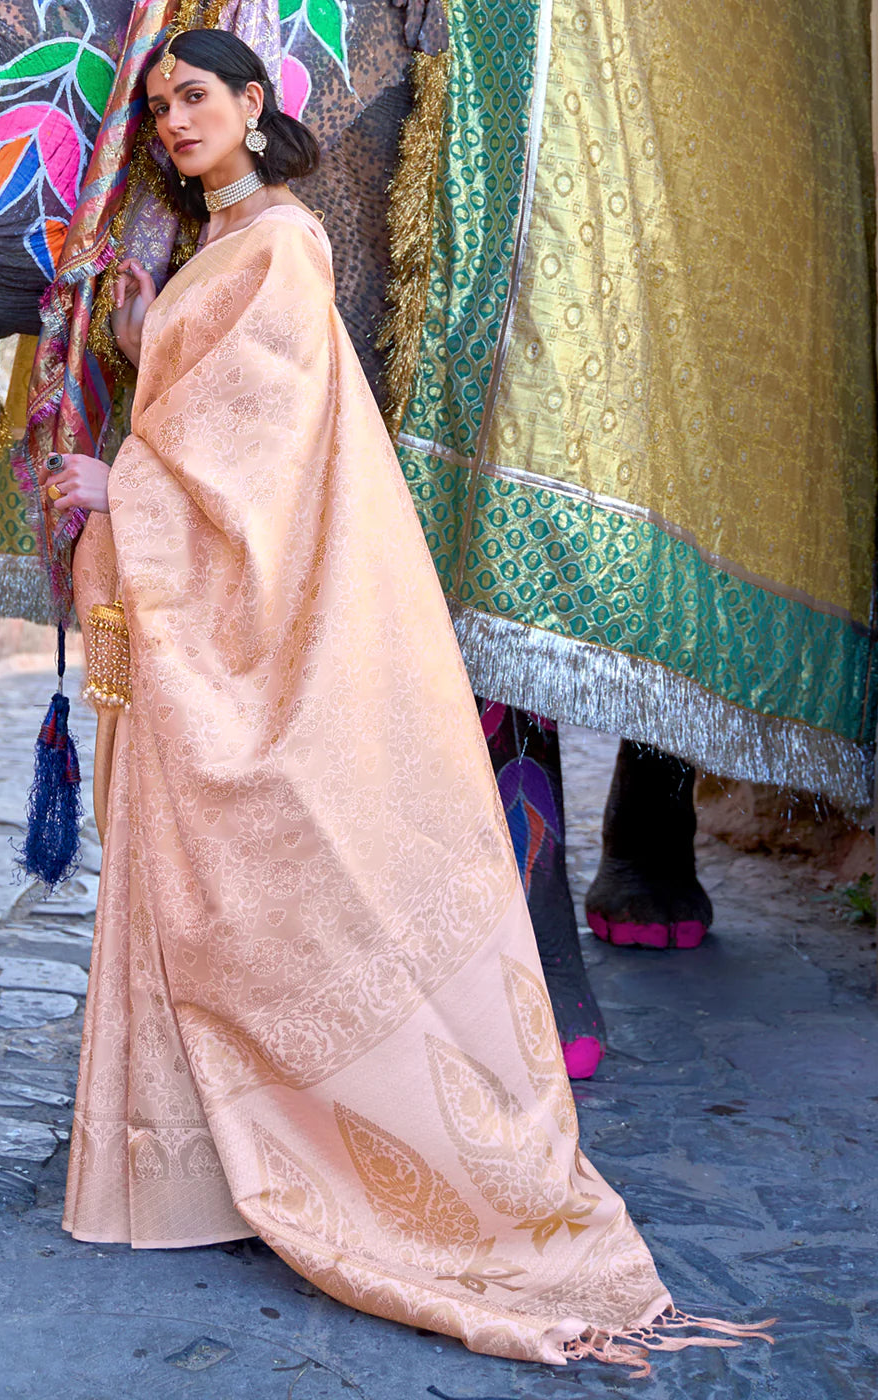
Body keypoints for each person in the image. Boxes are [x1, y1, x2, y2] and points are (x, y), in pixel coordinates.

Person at [46, 27, 769, 1372]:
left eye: (194, 97)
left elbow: (253, 461)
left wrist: (121, 494)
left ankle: (336, 1157)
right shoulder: (221, 254)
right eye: (158, 107)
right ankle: (186, 1168)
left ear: (256, 106)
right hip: (198, 599)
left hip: (238, 605)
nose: (174, 121)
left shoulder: (282, 249)